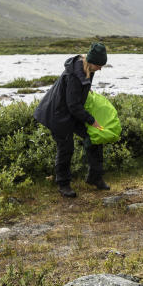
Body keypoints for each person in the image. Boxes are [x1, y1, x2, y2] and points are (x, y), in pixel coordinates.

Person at [34, 42, 110, 198]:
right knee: (66, 148)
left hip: (71, 112)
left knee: (95, 137)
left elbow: (80, 93)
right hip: (57, 114)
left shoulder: (89, 68)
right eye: (99, 65)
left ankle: (95, 177)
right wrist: (91, 120)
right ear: (91, 61)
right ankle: (63, 184)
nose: (100, 68)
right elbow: (73, 105)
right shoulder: (74, 75)